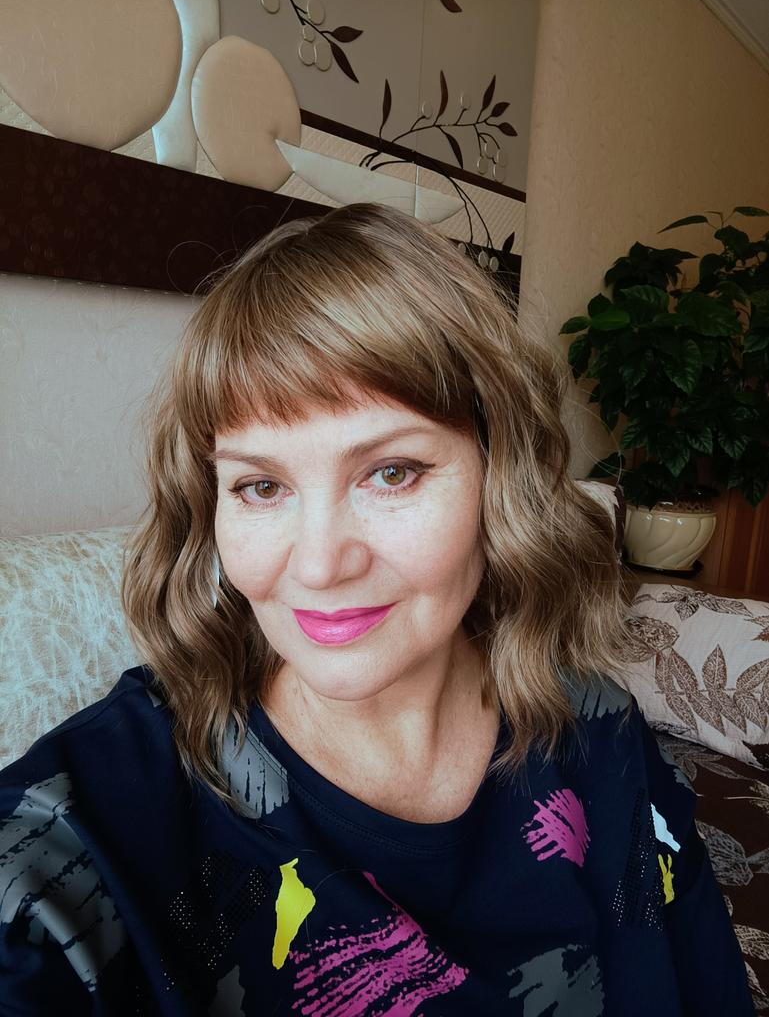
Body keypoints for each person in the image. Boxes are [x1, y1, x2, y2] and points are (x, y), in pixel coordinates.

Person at [0, 202, 754, 1016]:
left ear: (499, 475)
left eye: (390, 472)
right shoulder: (89, 825)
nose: (319, 565)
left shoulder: (598, 731)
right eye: (261, 486)